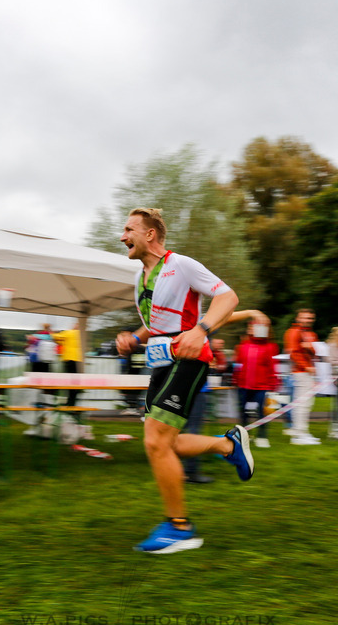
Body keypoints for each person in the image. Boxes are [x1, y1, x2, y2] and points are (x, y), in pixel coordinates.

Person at [115, 207, 250, 554]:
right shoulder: (141, 277)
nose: (122, 236)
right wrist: (134, 336)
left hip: (189, 356)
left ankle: (180, 528)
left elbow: (228, 297)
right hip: (162, 361)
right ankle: (228, 446)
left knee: (155, 441)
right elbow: (156, 322)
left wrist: (201, 330)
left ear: (150, 235)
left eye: (129, 229)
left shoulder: (182, 264)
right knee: (165, 443)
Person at [234, 314, 279, 448]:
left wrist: (273, 384)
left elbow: (272, 366)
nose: (253, 329)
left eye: (259, 327)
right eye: (252, 327)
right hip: (243, 385)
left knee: (262, 412)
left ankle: (262, 436)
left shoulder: (270, 346)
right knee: (242, 411)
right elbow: (238, 364)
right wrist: (236, 379)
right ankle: (243, 435)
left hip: (262, 386)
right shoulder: (243, 346)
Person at [283, 308, 320, 445]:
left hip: (309, 372)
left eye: (310, 318)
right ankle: (298, 435)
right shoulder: (293, 332)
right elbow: (293, 352)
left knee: (307, 404)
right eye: (304, 318)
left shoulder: (311, 333)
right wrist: (306, 366)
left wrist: (309, 347)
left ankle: (303, 432)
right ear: (298, 318)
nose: (307, 320)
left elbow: (315, 351)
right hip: (301, 372)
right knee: (302, 404)